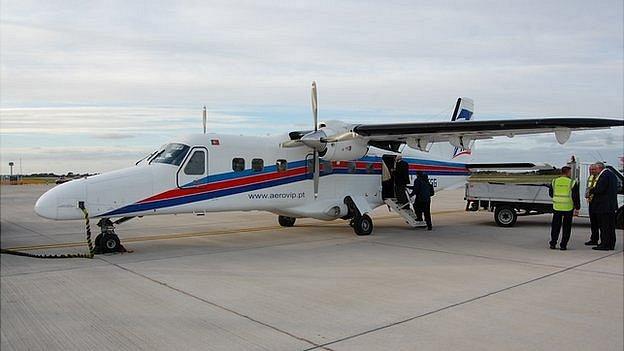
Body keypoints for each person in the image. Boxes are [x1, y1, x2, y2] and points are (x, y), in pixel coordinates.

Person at [588, 162, 618, 251]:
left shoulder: (604, 176)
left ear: (600, 168)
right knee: (610, 226)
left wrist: (591, 190)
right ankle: (611, 244)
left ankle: (605, 244)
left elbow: (600, 189)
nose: (594, 171)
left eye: (595, 169)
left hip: (604, 205)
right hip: (610, 205)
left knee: (604, 226)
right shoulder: (611, 175)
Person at [548, 166, 580, 250]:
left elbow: (551, 194)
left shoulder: (554, 181)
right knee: (566, 227)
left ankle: (553, 243)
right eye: (570, 172)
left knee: (555, 226)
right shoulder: (572, 182)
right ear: (568, 172)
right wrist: (577, 207)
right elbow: (575, 196)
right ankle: (563, 245)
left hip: (557, 207)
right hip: (568, 207)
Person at [584, 164, 600, 246]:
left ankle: (598, 239)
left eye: (593, 169)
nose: (591, 171)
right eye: (590, 169)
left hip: (598, 202)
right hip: (591, 201)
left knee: (599, 222)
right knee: (593, 223)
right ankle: (594, 239)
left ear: (598, 169)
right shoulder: (590, 177)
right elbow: (588, 188)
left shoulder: (600, 177)